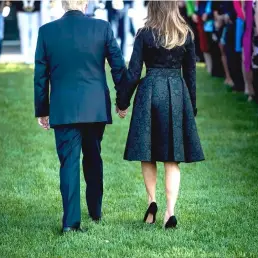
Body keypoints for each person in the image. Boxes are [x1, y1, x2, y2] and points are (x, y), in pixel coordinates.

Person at [34, 0, 127, 234]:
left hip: (63, 108)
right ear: (85, 4)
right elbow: (118, 66)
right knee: (93, 157)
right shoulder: (102, 28)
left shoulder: (47, 32)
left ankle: (70, 222)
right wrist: (122, 101)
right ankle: (95, 211)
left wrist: (42, 109)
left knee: (69, 162)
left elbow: (40, 76)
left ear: (63, 5)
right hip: (94, 107)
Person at [116, 1, 205, 229]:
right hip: (176, 93)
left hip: (149, 92)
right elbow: (191, 75)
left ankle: (151, 202)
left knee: (148, 151)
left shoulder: (144, 34)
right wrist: (190, 108)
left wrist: (122, 102)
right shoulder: (185, 34)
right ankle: (170, 211)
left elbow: (134, 72)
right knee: (172, 157)